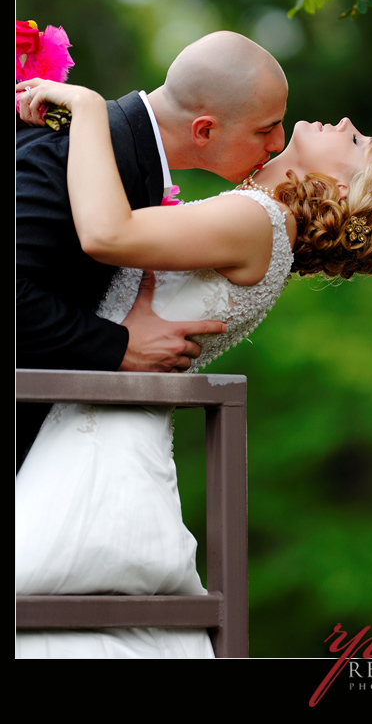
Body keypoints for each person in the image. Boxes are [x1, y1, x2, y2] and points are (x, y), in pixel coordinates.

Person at [15, 79, 372, 660]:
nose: (346, 123)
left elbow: (107, 233)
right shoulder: (262, 222)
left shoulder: (258, 221)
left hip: (98, 436)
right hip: (91, 416)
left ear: (342, 185)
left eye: (356, 143)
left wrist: (85, 107)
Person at [16, 30, 288, 468]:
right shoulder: (70, 150)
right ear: (205, 129)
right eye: (266, 128)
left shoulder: (114, 149)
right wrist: (117, 346)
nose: (277, 143)